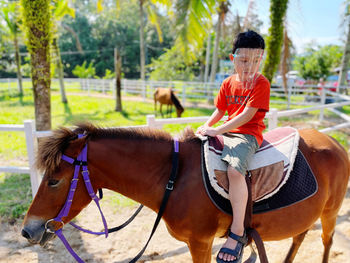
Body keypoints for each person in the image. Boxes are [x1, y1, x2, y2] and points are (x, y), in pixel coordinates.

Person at [196, 30, 270, 263]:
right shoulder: (228, 83)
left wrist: (217, 131)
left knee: (235, 171)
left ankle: (237, 231)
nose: (250, 66)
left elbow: (248, 115)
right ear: (233, 59)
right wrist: (206, 125)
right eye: (244, 60)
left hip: (247, 135)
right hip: (226, 130)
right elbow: (220, 109)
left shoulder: (261, 83)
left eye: (256, 61)